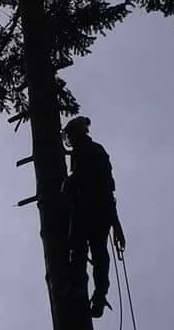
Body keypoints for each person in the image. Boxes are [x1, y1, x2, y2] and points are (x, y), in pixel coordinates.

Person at [62, 115, 126, 318]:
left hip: (91, 207)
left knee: (81, 249)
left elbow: (89, 179)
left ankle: (84, 289)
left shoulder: (88, 150)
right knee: (96, 252)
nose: (70, 140)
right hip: (101, 209)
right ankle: (96, 294)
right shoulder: (92, 149)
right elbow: (105, 186)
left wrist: (68, 186)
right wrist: (115, 222)